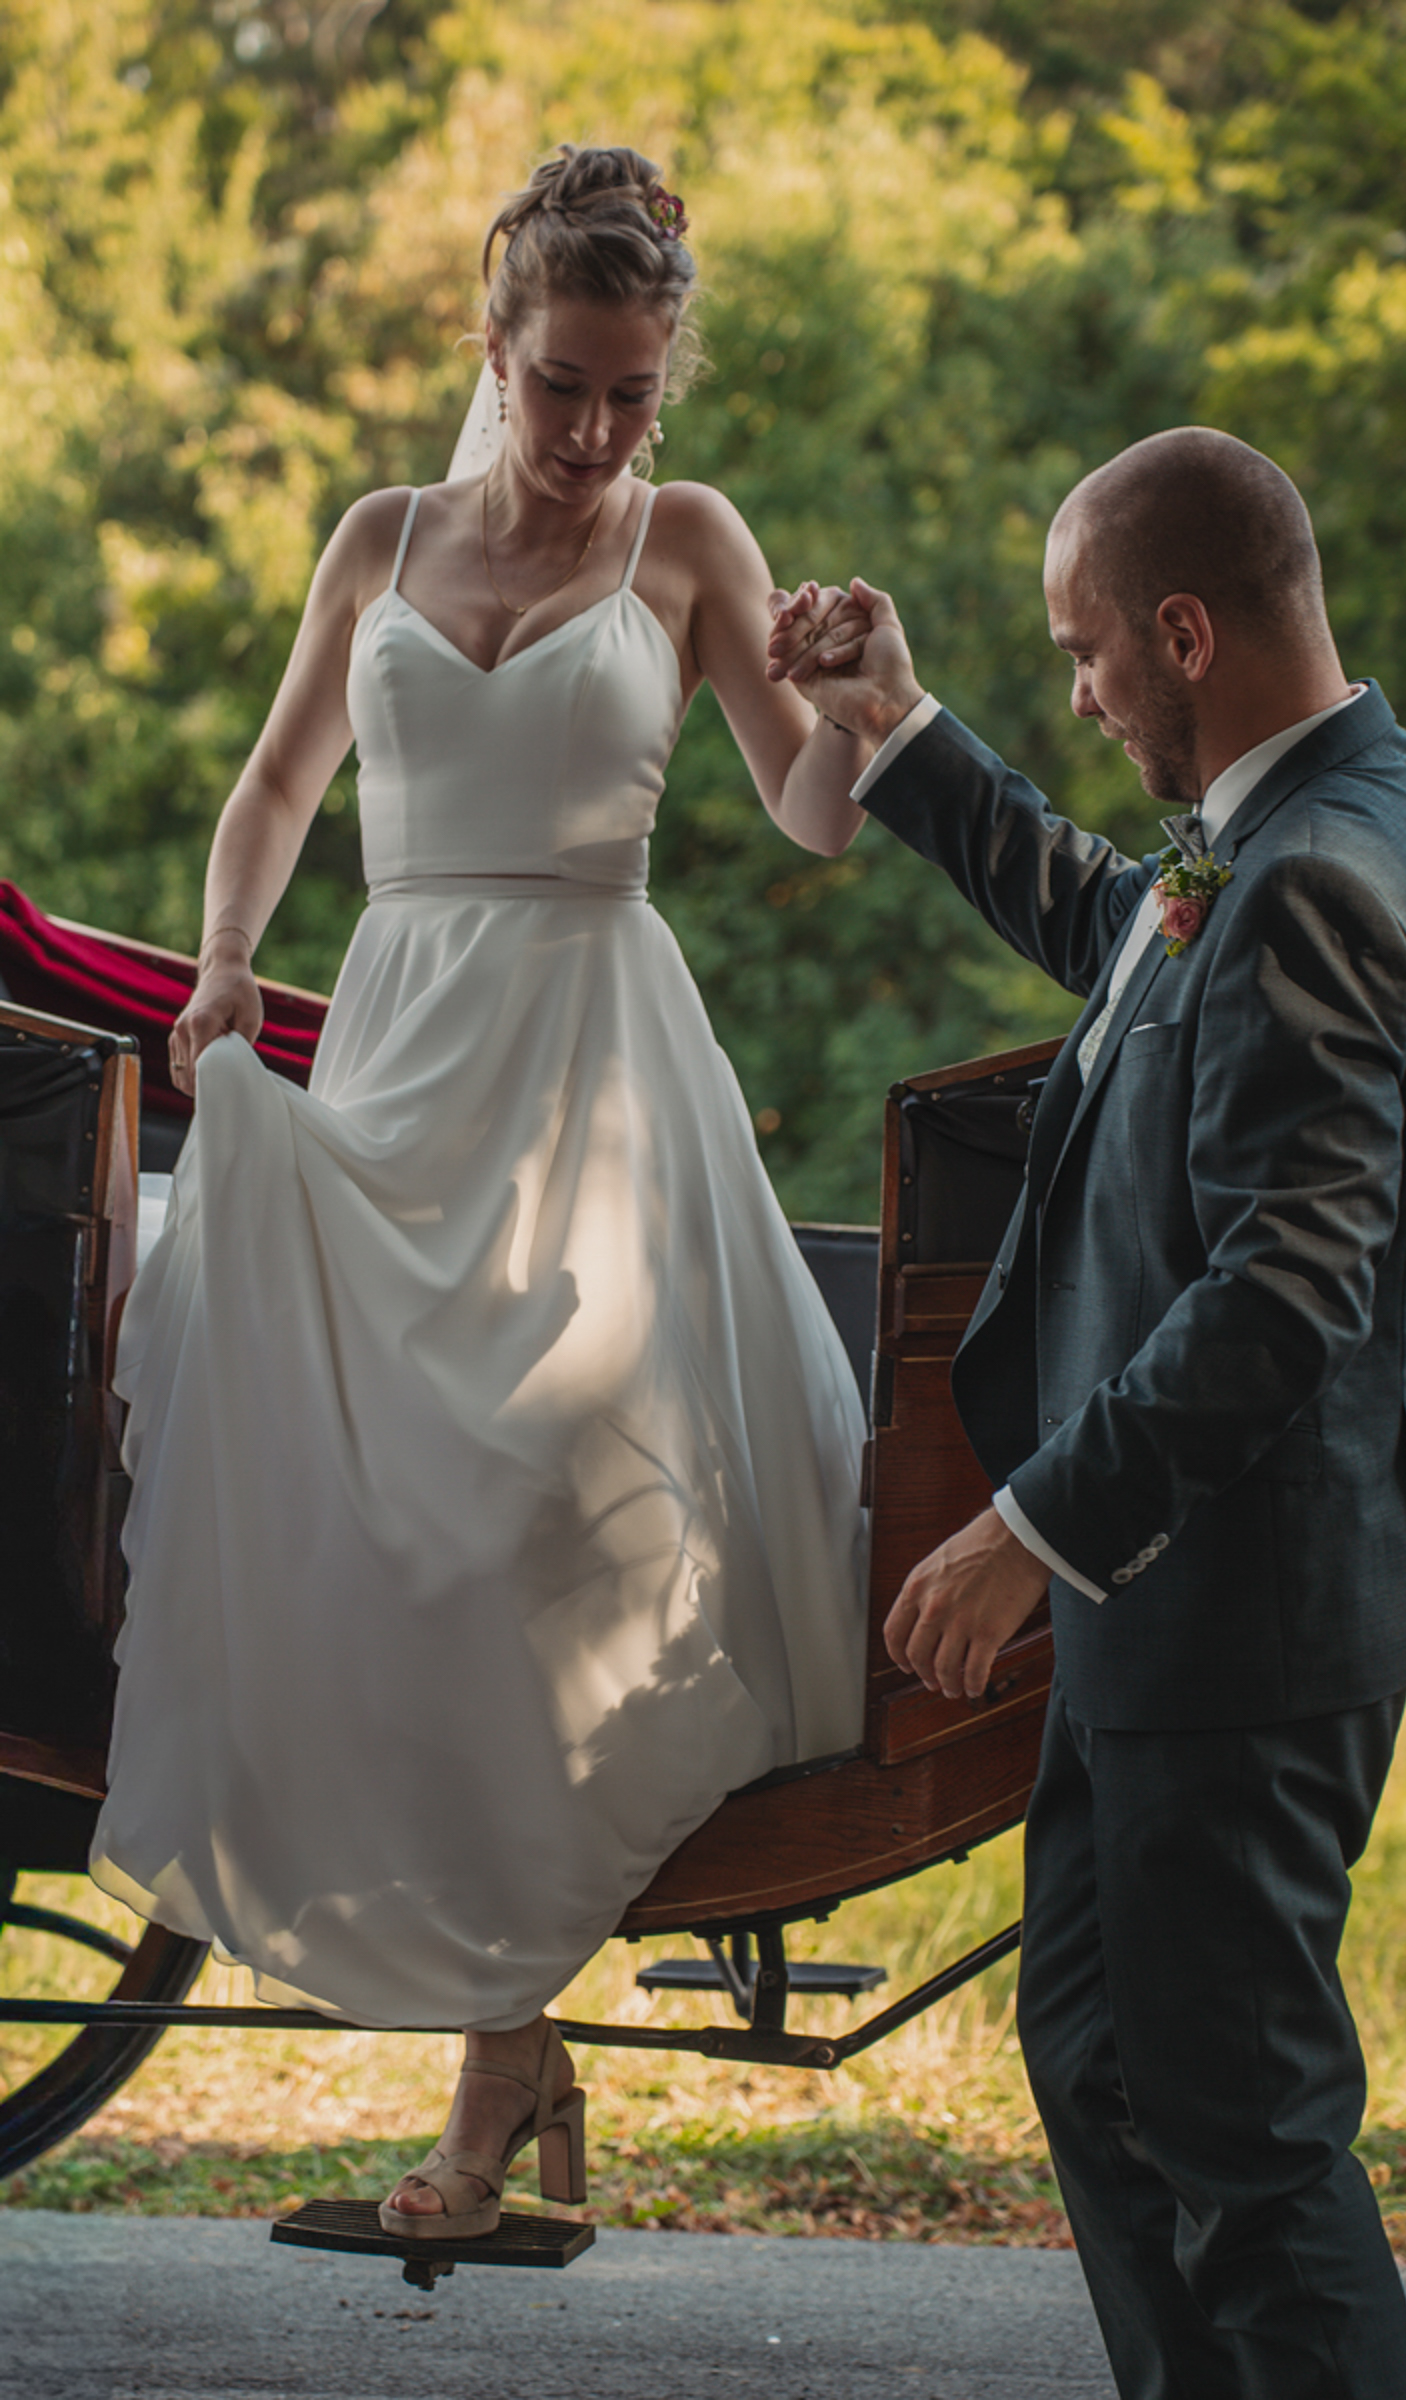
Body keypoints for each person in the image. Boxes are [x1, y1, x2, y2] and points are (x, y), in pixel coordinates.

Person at [90, 143, 876, 2241]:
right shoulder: (375, 539)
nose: (592, 433)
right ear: (492, 345)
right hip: (404, 1044)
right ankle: (508, 2055)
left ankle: (489, 2080)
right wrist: (230, 964)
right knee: (396, 1535)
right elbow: (272, 785)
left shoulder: (689, 538)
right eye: (559, 386)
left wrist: (866, 714)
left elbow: (801, 809)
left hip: (597, 1069)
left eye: (628, 394)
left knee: (547, 1538)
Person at [769, 427, 1406, 2398]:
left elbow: (1287, 1282)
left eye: (1084, 655)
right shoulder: (1324, 814)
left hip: (1232, 1609)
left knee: (1239, 2151)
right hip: (1167, 1618)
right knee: (1099, 2061)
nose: (1075, 697)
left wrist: (1028, 1529)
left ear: (1181, 631)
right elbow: (1124, 947)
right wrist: (901, 731)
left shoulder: (1313, 874)